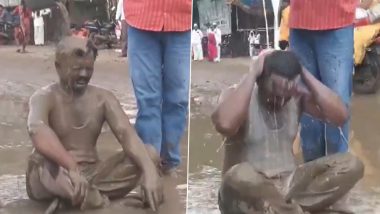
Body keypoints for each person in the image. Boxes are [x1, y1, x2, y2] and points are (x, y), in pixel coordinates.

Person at [212, 50, 364, 214]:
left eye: (287, 96)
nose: (281, 100)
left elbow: (340, 116)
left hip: (288, 187)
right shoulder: (236, 95)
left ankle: (288, 210)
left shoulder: (297, 97)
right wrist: (252, 73)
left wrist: (303, 73)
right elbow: (224, 124)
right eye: (275, 94)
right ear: (260, 80)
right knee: (239, 175)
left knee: (351, 164)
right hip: (246, 195)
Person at [26, 35, 163, 213]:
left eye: (88, 69)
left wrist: (150, 171)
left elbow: (126, 134)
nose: (84, 74)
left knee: (149, 155)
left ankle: (79, 198)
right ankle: (98, 202)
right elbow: (36, 129)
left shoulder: (103, 98)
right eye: (77, 69)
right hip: (55, 176)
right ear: (58, 67)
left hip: (92, 176)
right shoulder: (44, 97)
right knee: (41, 161)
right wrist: (71, 167)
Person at [124, 0, 191, 176]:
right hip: (141, 15)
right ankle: (149, 163)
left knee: (179, 99)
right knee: (147, 100)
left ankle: (169, 163)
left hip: (182, 18)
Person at [288, 0, 356, 162]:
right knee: (305, 103)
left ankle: (338, 173)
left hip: (337, 19)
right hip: (299, 20)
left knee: (337, 106)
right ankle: (312, 173)